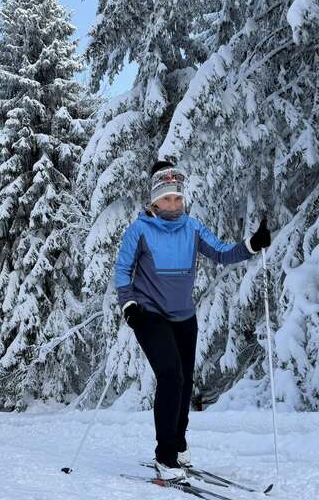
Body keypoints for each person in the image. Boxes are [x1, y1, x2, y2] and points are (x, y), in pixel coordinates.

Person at [116, 160, 271, 480]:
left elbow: (222, 253)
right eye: (166, 198)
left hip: (184, 316)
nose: (173, 203)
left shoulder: (192, 227)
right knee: (171, 376)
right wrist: (129, 304)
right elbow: (122, 271)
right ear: (154, 201)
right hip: (149, 314)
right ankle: (165, 456)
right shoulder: (139, 230)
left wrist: (252, 245)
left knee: (185, 382)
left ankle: (179, 442)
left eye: (177, 198)